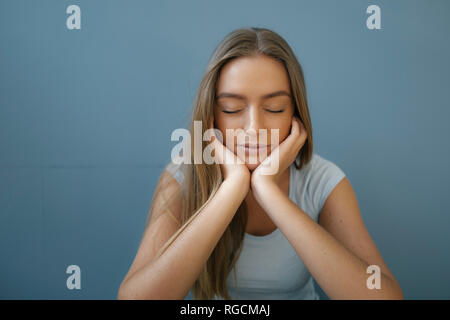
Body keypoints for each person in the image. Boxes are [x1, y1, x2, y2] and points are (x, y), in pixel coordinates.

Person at [117, 27, 403, 300]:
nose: (253, 128)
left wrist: (267, 190)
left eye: (274, 108)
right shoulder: (182, 177)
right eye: (232, 109)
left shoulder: (323, 182)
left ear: (295, 114)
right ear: (211, 115)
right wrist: (233, 188)